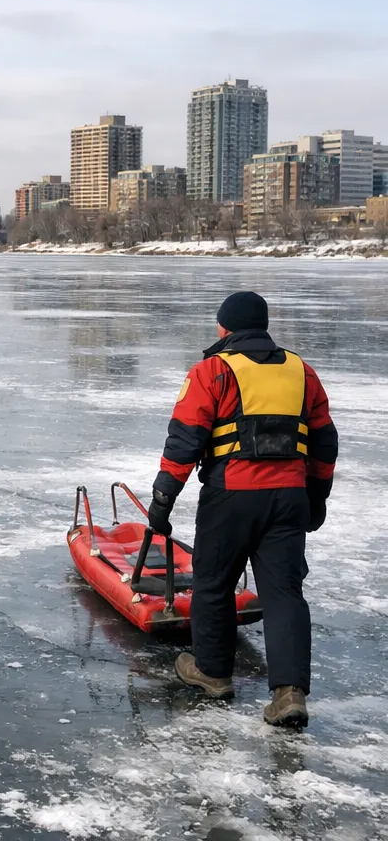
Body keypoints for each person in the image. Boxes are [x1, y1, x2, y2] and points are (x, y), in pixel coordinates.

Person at [149, 291, 337, 728]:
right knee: (285, 592)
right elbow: (325, 441)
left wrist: (163, 499)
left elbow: (185, 440)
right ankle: (289, 693)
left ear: (225, 327)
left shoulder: (212, 371)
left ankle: (212, 672)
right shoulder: (301, 371)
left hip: (230, 496)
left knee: (214, 582)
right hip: (289, 497)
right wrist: (317, 495)